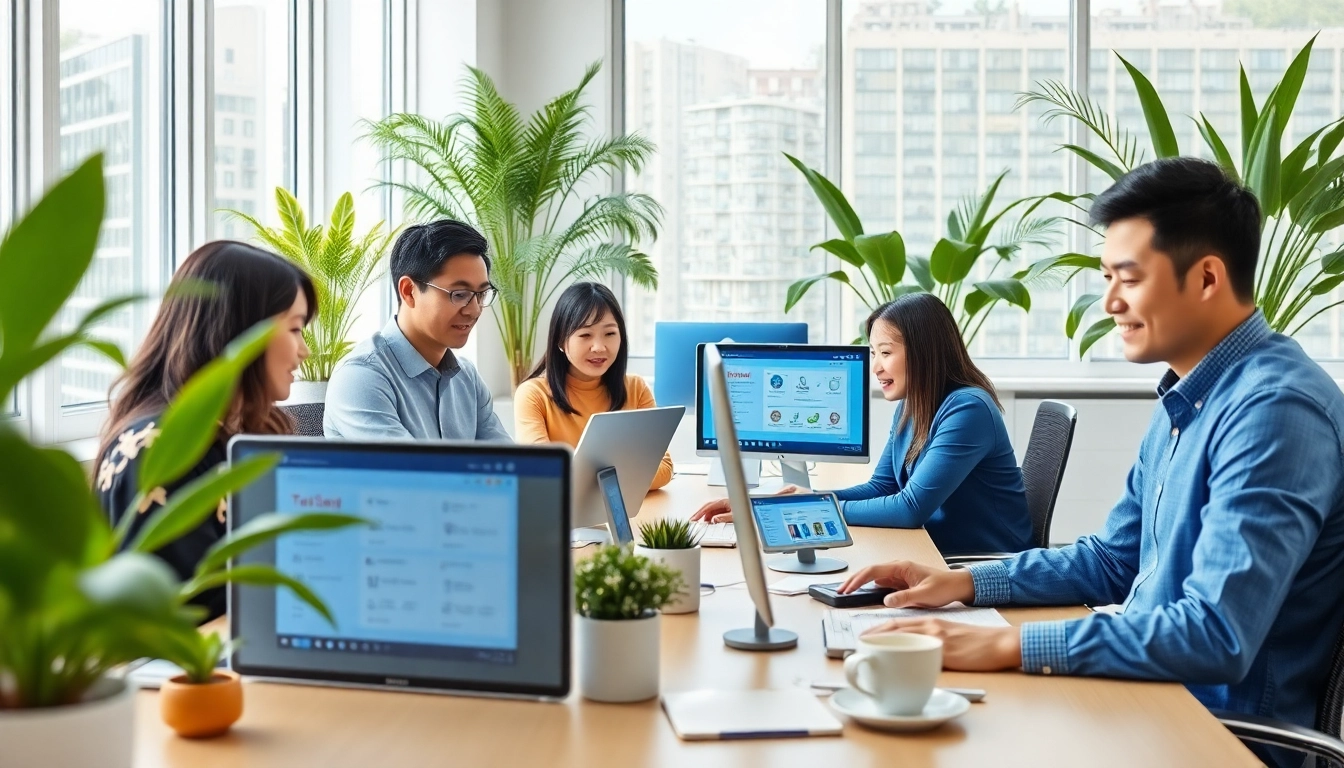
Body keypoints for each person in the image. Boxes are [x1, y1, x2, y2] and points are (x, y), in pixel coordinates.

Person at [840, 158, 1344, 767]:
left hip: (1212, 735)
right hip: (1144, 697)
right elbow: (1112, 558)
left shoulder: (1275, 411)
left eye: (1127, 279)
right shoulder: (1187, 398)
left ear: (1207, 278)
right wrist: (965, 584)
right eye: (1107, 277)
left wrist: (1006, 644)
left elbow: (1215, 633)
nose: (1108, 303)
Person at [692, 292, 1033, 556]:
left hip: (985, 562)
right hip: (935, 550)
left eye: (885, 353)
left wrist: (804, 507)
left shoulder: (968, 410)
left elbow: (909, 509)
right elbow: (882, 487)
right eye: (873, 354)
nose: (876, 367)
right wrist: (777, 503)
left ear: (924, 352)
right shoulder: (913, 405)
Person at [96, 241, 316, 620]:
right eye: (295, 329)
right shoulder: (159, 449)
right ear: (241, 332)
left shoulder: (237, 431)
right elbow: (197, 611)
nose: (304, 351)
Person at [324, 219, 510, 441]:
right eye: (459, 294)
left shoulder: (467, 378)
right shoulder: (362, 377)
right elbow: (409, 474)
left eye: (481, 294)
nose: (474, 309)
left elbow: (509, 466)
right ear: (409, 291)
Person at [514, 282, 672, 488]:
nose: (599, 347)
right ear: (561, 341)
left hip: (629, 513)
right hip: (566, 518)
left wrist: (585, 478)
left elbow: (664, 468)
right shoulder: (534, 394)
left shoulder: (635, 389)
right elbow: (542, 471)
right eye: (585, 335)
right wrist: (624, 475)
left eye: (610, 333)